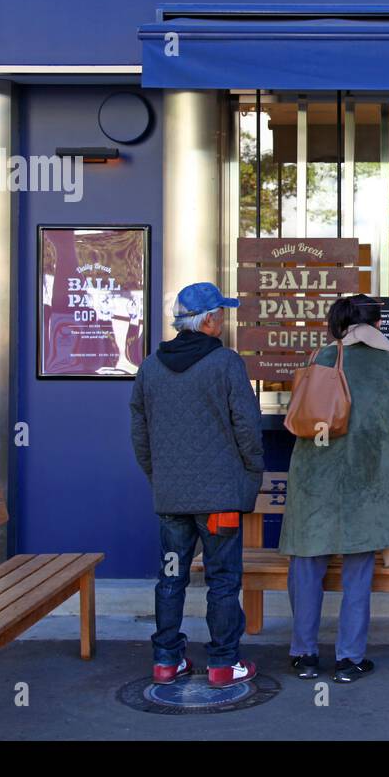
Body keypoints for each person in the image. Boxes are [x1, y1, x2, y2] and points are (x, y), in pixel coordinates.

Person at [280, 294, 389, 683]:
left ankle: (305, 656)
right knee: (358, 570)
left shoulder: (319, 360)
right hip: (372, 483)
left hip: (314, 479)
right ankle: (349, 660)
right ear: (378, 325)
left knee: (307, 564)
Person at [129, 282, 264, 687]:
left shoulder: (150, 367)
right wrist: (251, 476)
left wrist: (160, 478)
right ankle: (223, 663)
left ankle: (167, 662)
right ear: (207, 320)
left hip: (172, 498)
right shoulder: (227, 363)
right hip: (221, 497)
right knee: (223, 579)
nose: (224, 321)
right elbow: (248, 428)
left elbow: (140, 434)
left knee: (171, 577)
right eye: (220, 314)